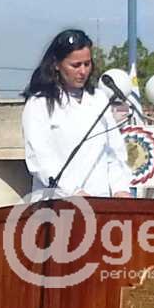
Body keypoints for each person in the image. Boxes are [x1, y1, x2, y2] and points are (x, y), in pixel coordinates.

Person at [21, 29, 133, 198]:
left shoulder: (99, 99)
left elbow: (114, 152)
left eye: (87, 64)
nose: (83, 71)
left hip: (100, 204)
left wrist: (120, 189)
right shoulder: (39, 104)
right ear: (56, 65)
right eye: (75, 65)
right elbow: (39, 159)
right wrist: (73, 191)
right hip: (57, 203)